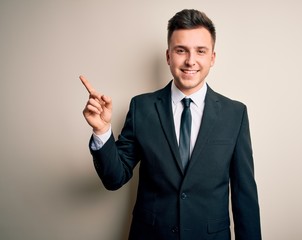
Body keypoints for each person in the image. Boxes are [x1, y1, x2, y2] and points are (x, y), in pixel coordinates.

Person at [80, 9, 261, 240]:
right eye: (181, 50)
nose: (190, 60)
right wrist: (102, 131)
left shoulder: (235, 114)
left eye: (200, 51)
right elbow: (115, 179)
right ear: (168, 56)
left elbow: (244, 195)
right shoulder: (141, 108)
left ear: (212, 58)